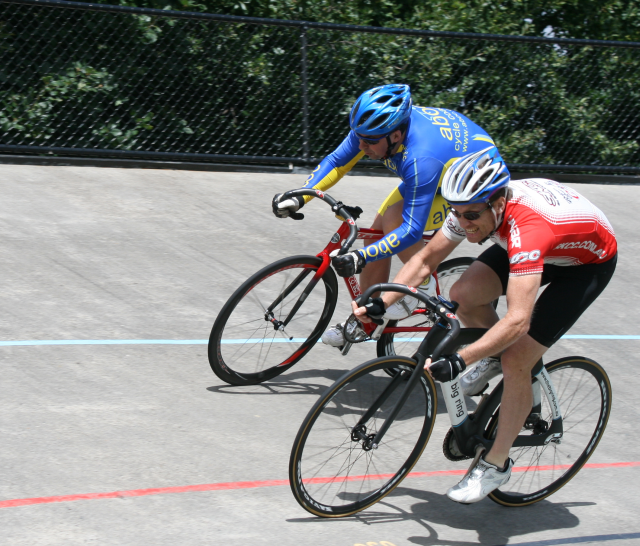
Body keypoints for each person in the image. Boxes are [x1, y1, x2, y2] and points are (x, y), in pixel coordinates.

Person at [353, 146, 617, 504]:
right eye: (456, 214)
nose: (463, 224)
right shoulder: (471, 205)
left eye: (472, 216)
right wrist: (381, 303)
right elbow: (428, 257)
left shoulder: (527, 229)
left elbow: (519, 320)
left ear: (498, 204)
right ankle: (498, 359)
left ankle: (496, 464)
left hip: (586, 263)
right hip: (545, 240)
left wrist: (463, 358)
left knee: (516, 358)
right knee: (463, 293)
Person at [272, 83, 501, 348]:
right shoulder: (373, 130)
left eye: (368, 142)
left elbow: (412, 230)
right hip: (436, 173)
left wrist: (359, 258)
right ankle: (367, 319)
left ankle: (421, 284)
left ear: (395, 135)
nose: (360, 145)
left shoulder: (420, 158)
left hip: (471, 185)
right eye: (358, 137)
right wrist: (300, 195)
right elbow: (336, 162)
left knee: (395, 220)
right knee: (375, 235)